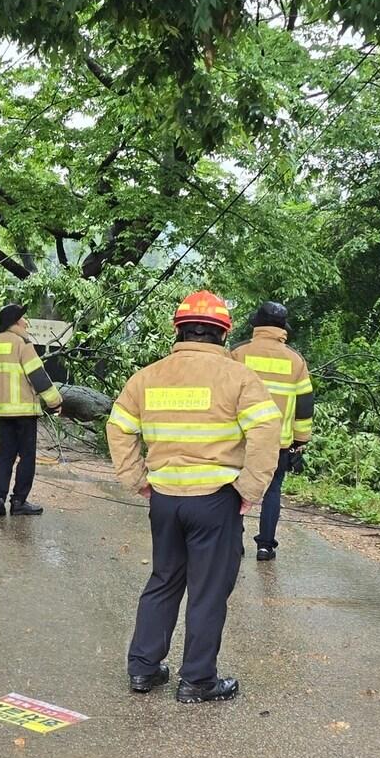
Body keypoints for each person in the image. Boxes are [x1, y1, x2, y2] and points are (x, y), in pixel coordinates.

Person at [106, 290, 283, 702]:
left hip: (165, 497)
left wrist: (139, 480)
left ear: (179, 330)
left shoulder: (147, 376)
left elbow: (118, 428)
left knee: (164, 579)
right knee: (208, 589)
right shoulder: (239, 377)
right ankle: (197, 680)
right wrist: (249, 489)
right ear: (223, 334)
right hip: (216, 499)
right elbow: (266, 431)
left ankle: (143, 670)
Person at [229, 301, 313, 561]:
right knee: (273, 490)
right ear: (282, 329)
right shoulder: (295, 360)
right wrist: (301, 440)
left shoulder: (238, 353)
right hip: (278, 441)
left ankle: (234, 543)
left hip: (240, 438)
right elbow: (305, 403)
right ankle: (265, 546)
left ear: (257, 324)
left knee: (235, 488)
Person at [0, 303, 64, 516]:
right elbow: (38, 376)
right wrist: (55, 401)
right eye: (23, 318)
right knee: (26, 456)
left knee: (5, 455)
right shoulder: (22, 344)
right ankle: (19, 501)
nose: (26, 321)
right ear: (16, 322)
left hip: (2, 411)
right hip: (23, 410)